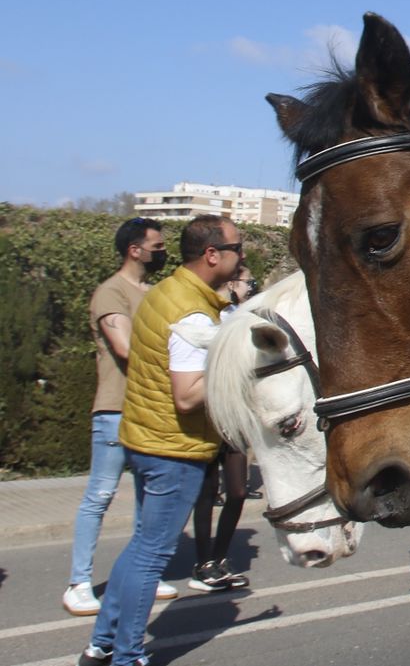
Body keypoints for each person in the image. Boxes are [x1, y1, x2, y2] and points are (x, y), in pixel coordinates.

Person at [80, 216, 241, 666]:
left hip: (149, 438)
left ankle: (102, 644)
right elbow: (188, 395)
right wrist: (236, 364)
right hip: (174, 448)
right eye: (236, 246)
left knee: (140, 548)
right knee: (152, 557)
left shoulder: (169, 291)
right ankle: (128, 656)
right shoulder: (189, 311)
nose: (240, 254)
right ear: (212, 254)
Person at [64, 219, 180, 617]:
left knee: (147, 502)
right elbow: (126, 347)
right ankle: (79, 582)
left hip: (150, 410)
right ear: (135, 249)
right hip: (116, 409)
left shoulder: (155, 293)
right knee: (99, 496)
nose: (162, 251)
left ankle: (142, 573)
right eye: (157, 245)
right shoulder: (111, 292)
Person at [186, 266, 257, 593]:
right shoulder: (204, 314)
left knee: (238, 491)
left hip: (234, 414)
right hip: (208, 413)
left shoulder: (239, 315)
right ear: (231, 283)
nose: (249, 287)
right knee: (206, 491)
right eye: (246, 282)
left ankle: (220, 555)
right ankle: (203, 564)